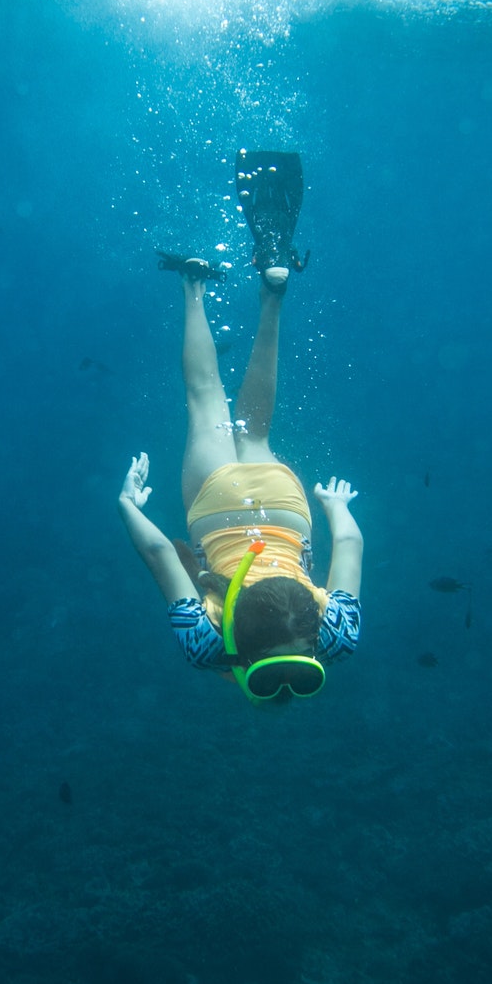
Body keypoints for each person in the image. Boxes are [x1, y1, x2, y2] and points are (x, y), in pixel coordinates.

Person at [117, 150, 363, 703]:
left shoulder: (338, 637)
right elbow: (160, 554)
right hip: (217, 512)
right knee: (207, 403)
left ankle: (272, 295)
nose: (283, 692)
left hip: (285, 508)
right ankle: (193, 285)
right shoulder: (206, 646)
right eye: (302, 681)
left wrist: (335, 506)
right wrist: (129, 505)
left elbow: (349, 539)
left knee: (254, 430)